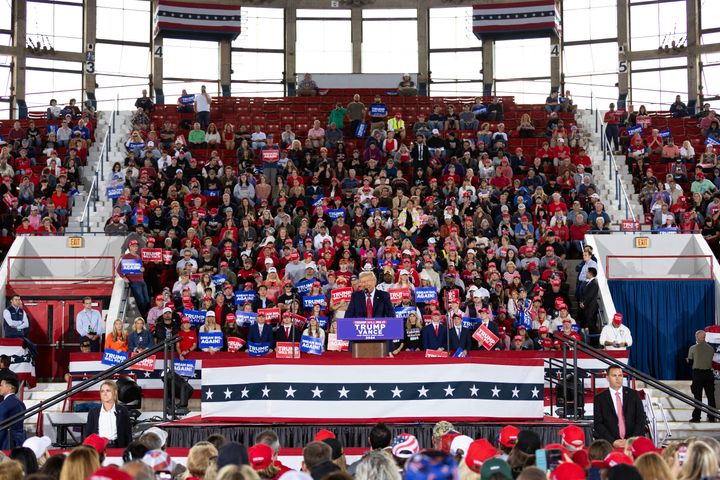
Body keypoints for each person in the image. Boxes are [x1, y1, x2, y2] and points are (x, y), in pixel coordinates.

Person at [593, 365, 647, 448]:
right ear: (607, 378)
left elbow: (641, 419)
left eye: (620, 375)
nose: (617, 378)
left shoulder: (633, 395)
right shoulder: (600, 398)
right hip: (610, 445)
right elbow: (598, 424)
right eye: (614, 375)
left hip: (633, 444)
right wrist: (612, 442)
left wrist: (630, 440)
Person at [83, 380, 133, 448]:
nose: (105, 394)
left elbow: (128, 434)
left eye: (108, 391)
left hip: (117, 447)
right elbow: (88, 434)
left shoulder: (122, 411)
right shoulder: (93, 412)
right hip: (98, 447)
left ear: (115, 392)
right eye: (102, 391)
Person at [686, 329, 717, 422]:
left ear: (697, 337)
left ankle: (696, 417)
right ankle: (712, 417)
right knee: (711, 397)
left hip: (698, 375)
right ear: (704, 337)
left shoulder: (693, 348)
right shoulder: (711, 348)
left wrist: (688, 360)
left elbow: (690, 362)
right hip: (708, 374)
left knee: (698, 397)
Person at [117, 239, 150, 315]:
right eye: (134, 246)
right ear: (130, 247)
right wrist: (123, 277)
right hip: (134, 281)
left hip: (141, 280)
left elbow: (141, 268)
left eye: (136, 246)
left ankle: (147, 314)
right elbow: (119, 269)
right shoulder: (126, 257)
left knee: (147, 299)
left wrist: (142, 269)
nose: (135, 247)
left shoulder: (138, 256)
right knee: (140, 300)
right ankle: (144, 315)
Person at [0, 377, 26, 449]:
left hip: (6, 443)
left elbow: (1, 428)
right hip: (20, 441)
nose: (0, 387)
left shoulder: (4, 405)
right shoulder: (21, 403)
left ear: (10, 387)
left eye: (1, 385)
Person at [580, 267, 600, 344]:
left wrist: (584, 303)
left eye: (587, 272)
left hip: (592, 307)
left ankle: (595, 342)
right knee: (590, 324)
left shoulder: (594, 283)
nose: (586, 274)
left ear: (591, 274)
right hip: (588, 307)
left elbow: (590, 296)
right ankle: (592, 341)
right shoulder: (590, 282)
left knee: (592, 325)